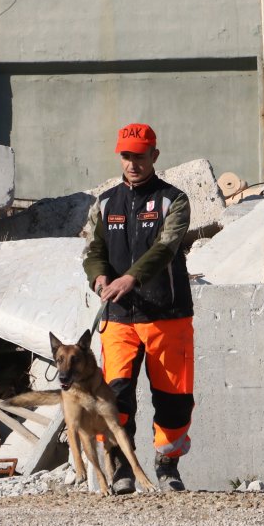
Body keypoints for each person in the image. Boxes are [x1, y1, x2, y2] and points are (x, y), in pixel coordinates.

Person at [83, 123, 194, 493]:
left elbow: (166, 248)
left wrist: (130, 278)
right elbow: (93, 251)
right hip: (118, 318)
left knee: (174, 399)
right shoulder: (104, 203)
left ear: (154, 157)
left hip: (167, 314)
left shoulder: (173, 200)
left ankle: (168, 464)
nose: (132, 163)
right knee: (114, 397)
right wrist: (99, 278)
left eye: (140, 156)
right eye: (127, 156)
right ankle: (120, 468)